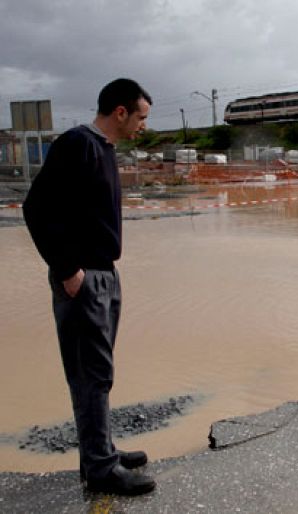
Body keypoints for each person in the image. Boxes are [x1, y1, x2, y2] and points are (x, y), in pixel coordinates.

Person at [23, 78, 156, 496]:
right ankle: (100, 470)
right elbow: (37, 208)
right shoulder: (78, 144)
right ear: (120, 112)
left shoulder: (104, 149)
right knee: (91, 374)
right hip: (82, 277)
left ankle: (101, 453)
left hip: (103, 274)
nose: (143, 126)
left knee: (97, 372)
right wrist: (67, 270)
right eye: (141, 117)